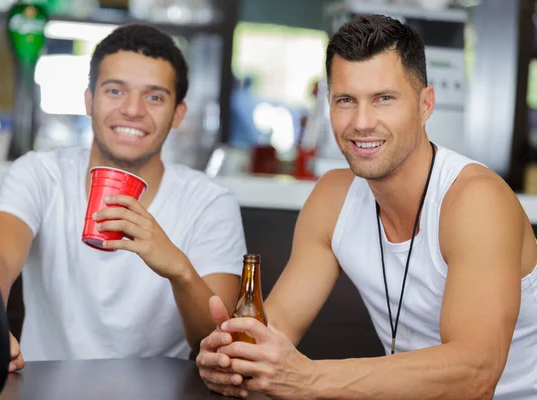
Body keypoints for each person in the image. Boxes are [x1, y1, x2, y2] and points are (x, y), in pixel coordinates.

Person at [196, 14, 537, 399]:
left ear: (426, 104)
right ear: (328, 105)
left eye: (383, 99)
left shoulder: (475, 201)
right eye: (346, 100)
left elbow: (475, 376)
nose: (361, 122)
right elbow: (277, 328)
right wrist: (237, 357)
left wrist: (308, 378)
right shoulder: (333, 198)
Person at [0, 24, 246, 372]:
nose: (133, 110)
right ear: (89, 100)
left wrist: (178, 269)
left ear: (178, 113)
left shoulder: (211, 203)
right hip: (42, 387)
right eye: (115, 90)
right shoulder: (39, 174)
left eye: (154, 97)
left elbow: (216, 340)